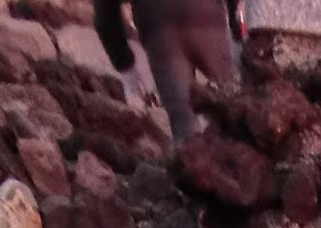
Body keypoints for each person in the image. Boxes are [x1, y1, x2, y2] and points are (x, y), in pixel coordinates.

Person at [92, 0, 238, 144]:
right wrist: (236, 25)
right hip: (205, 17)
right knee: (234, 110)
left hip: (161, 30)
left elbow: (103, 14)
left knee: (186, 128)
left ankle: (192, 149)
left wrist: (129, 75)